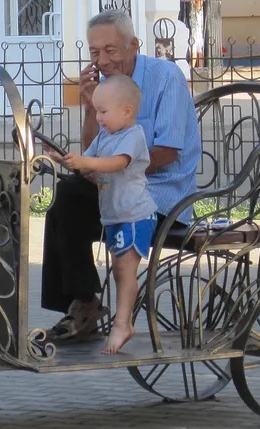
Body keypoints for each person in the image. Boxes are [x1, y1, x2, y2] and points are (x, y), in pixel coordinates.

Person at [40, 9, 201, 342]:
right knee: (64, 201)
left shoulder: (165, 76)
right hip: (121, 189)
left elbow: (168, 152)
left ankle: (84, 304)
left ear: (134, 45)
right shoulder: (108, 88)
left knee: (71, 196)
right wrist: (88, 107)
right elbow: (93, 150)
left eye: (111, 50)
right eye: (95, 52)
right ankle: (84, 301)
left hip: (161, 195)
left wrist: (107, 169)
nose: (103, 60)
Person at [63, 74, 157, 354]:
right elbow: (88, 166)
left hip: (135, 215)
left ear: (126, 111)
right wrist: (64, 159)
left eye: (103, 112)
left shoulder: (133, 136)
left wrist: (86, 161)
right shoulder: (106, 136)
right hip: (116, 216)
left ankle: (122, 324)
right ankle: (122, 321)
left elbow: (116, 164)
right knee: (118, 272)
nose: (99, 118)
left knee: (125, 271)